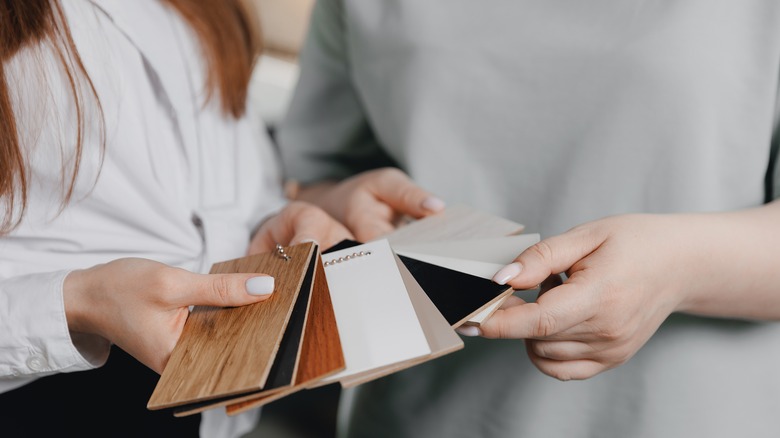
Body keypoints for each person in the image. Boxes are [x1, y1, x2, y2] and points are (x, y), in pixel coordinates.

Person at [275, 0, 780, 437]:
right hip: (412, 416)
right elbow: (313, 179)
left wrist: (679, 268)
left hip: (684, 417)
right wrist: (346, 206)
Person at [0, 1, 353, 437]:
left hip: (221, 392)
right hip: (56, 398)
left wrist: (276, 215)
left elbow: (230, 162)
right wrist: (78, 302)